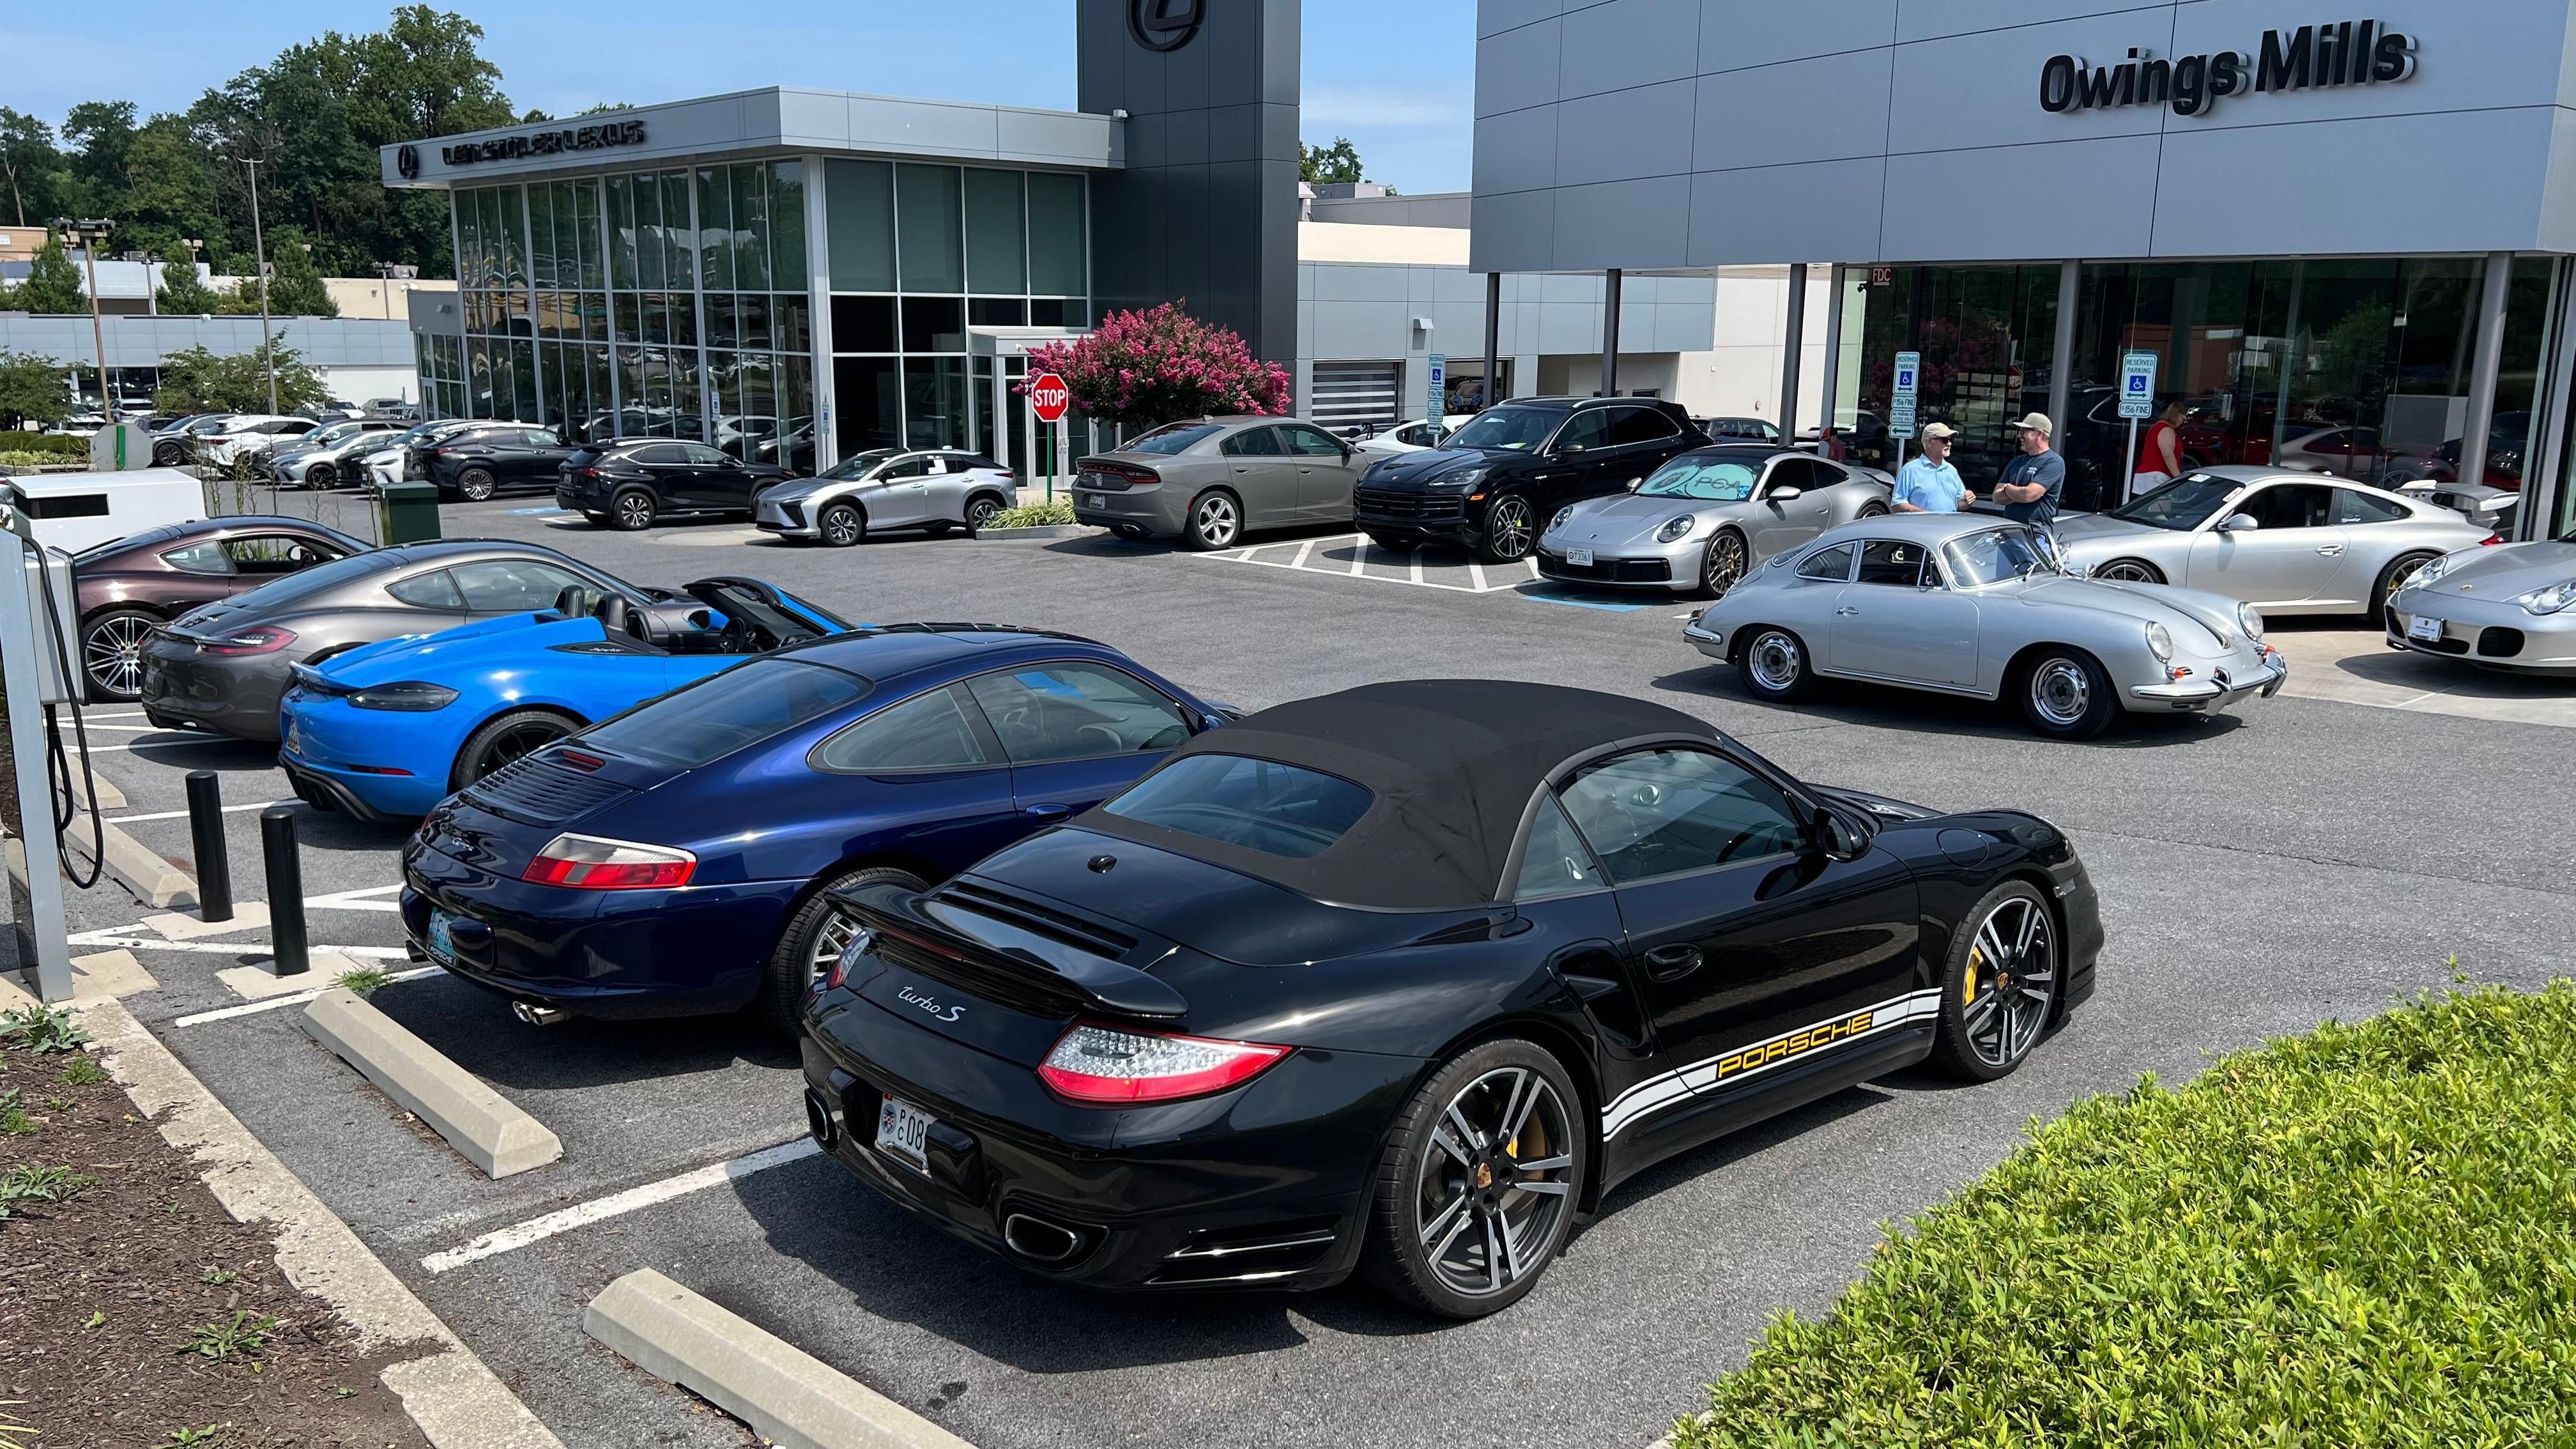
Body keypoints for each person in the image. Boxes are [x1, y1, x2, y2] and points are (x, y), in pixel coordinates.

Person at [1993, 413, 2065, 527]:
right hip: (2010, 528)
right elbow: (1997, 497)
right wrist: (2020, 494)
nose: (2019, 436)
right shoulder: (2016, 462)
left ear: (2039, 433)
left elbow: (2029, 495)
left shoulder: (2054, 462)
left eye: (2023, 431)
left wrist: (2007, 488)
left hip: (2035, 531)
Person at [1892, 422, 1970, 512]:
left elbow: (1959, 503)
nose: (1949, 444)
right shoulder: (1910, 470)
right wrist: (1924, 515)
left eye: (1951, 440)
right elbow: (1897, 504)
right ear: (1929, 443)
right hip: (1921, 522)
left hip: (1949, 522)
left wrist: (1967, 500)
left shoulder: (1951, 470)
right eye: (1945, 440)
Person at [2132, 399, 2184, 501]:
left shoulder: (2157, 427)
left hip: (2148, 475)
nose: (2183, 422)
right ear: (2179, 416)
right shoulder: (2167, 430)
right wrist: (2178, 477)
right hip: (2157, 476)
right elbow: (2168, 454)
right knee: (2161, 508)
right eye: (2184, 418)